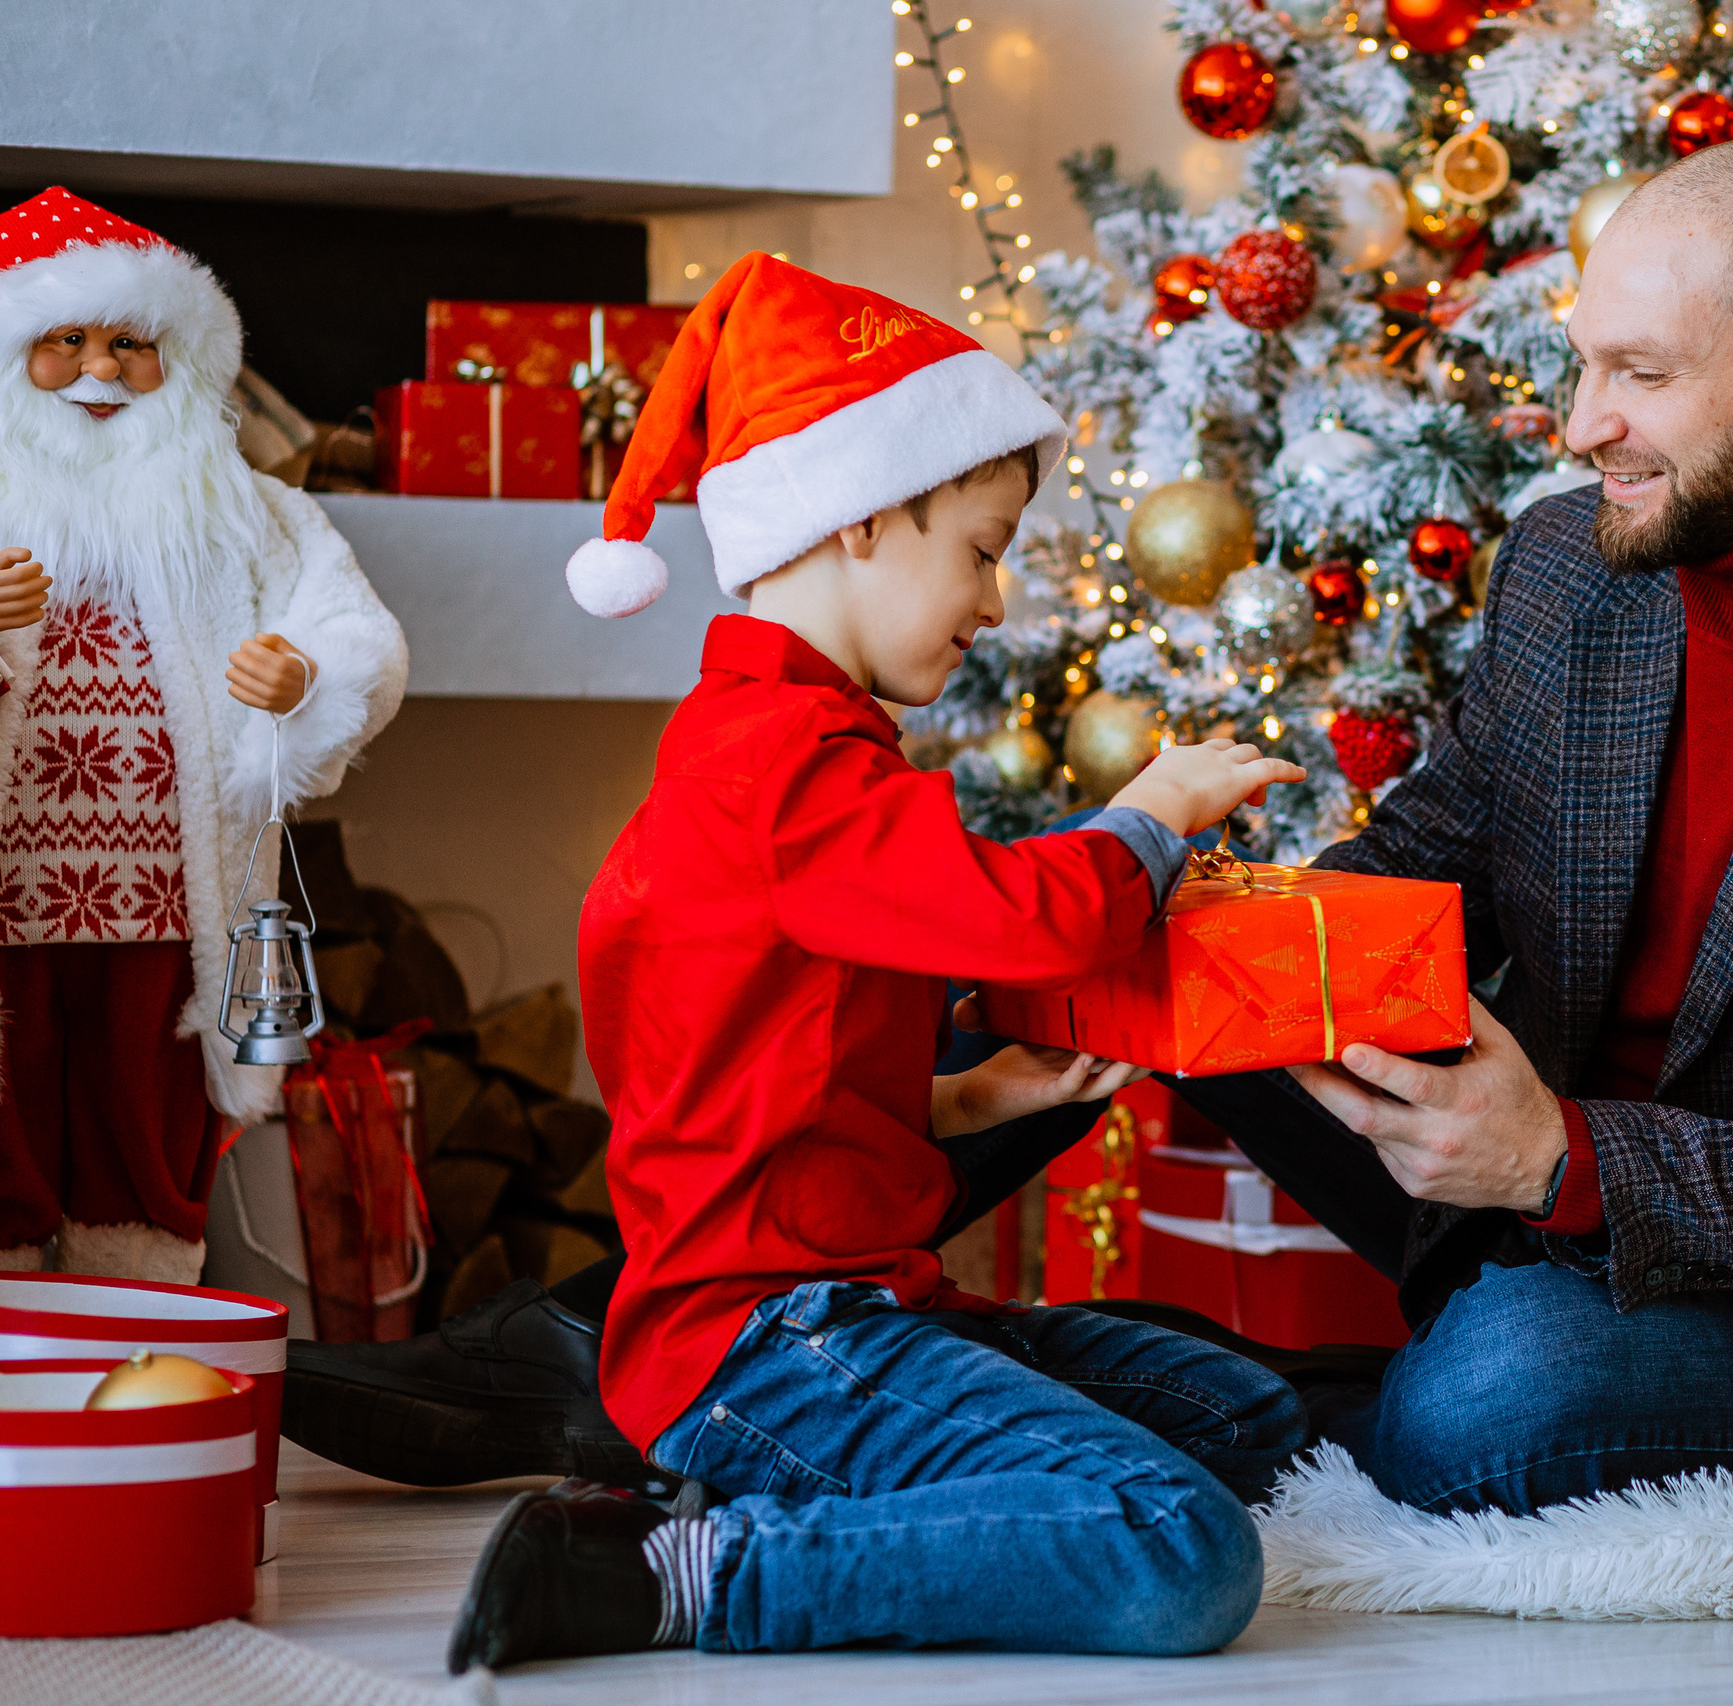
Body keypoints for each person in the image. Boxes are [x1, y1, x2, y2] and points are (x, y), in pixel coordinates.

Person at [302, 138, 1733, 1525]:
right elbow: (1437, 842)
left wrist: (1561, 1162)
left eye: (1641, 379)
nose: (1579, 419)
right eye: (1582, 361)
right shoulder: (1576, 571)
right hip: (1530, 1168)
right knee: (1070, 969)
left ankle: (1270, 1395)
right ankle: (695, 1331)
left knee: (1480, 1416)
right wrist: (1155, 948)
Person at [446, 255, 1312, 1674]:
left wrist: (977, 1102)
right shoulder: (777, 761)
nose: (996, 596)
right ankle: (690, 1571)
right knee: (1181, 1546)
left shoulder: (806, 749)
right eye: (980, 547)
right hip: (764, 1334)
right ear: (856, 519)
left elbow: (772, 1063)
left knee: (1242, 1424)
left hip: (851, 1300)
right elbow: (1029, 918)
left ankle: (843, 1497)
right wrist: (1144, 819)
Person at [0, 188, 406, 1282]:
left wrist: (303, 672)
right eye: (62, 343)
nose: (102, 370)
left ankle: (134, 1350)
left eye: (133, 343)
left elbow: (351, 621)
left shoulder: (245, 511)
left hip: (168, 906)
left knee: (146, 1135)